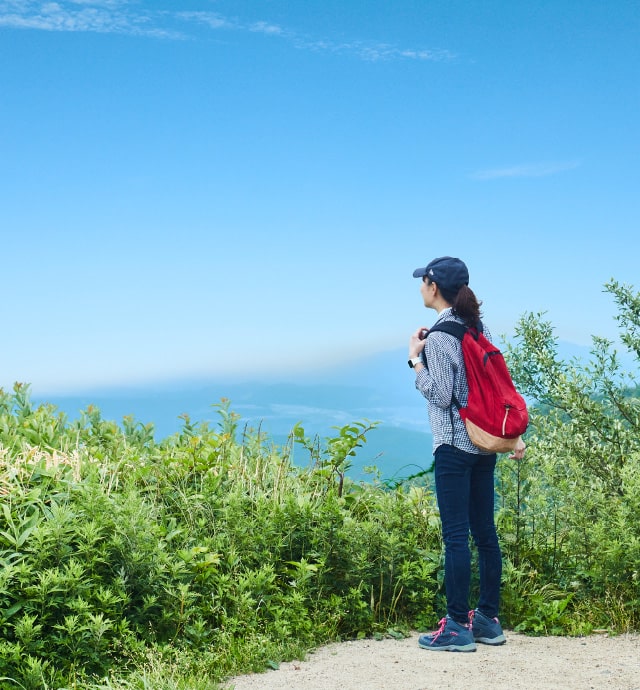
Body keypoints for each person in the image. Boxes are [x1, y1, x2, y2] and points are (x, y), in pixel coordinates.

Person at [408, 256, 526, 653]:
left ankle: (457, 625)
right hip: (483, 444)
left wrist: (415, 361)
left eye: (422, 281)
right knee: (484, 532)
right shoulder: (477, 326)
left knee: (455, 536)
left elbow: (441, 395)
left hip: (454, 447)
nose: (420, 286)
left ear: (433, 286)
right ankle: (488, 620)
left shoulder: (440, 337)